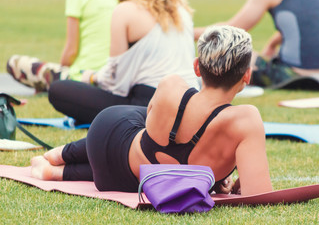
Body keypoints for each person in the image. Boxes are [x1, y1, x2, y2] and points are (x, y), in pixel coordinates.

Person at [30, 25, 273, 196]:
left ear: (197, 68)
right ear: (247, 76)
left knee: (137, 123)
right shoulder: (245, 121)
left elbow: (151, 128)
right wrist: (224, 177)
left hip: (107, 140)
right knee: (139, 133)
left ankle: (58, 155)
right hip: (122, 181)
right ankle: (55, 171)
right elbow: (258, 196)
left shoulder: (172, 86)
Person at [47, 0, 198, 125]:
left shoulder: (125, 10)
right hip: (189, 103)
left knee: (58, 90)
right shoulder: (179, 8)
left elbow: (116, 83)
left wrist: (93, 77)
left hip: (147, 106)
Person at [194, 0, 319, 87]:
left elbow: (232, 29)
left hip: (295, 74)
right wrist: (272, 44)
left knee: (237, 57)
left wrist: (189, 33)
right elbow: (308, 24)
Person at [7, 0, 118, 92]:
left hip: (82, 78)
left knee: (14, 63)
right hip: (111, 77)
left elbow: (71, 52)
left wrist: (60, 71)